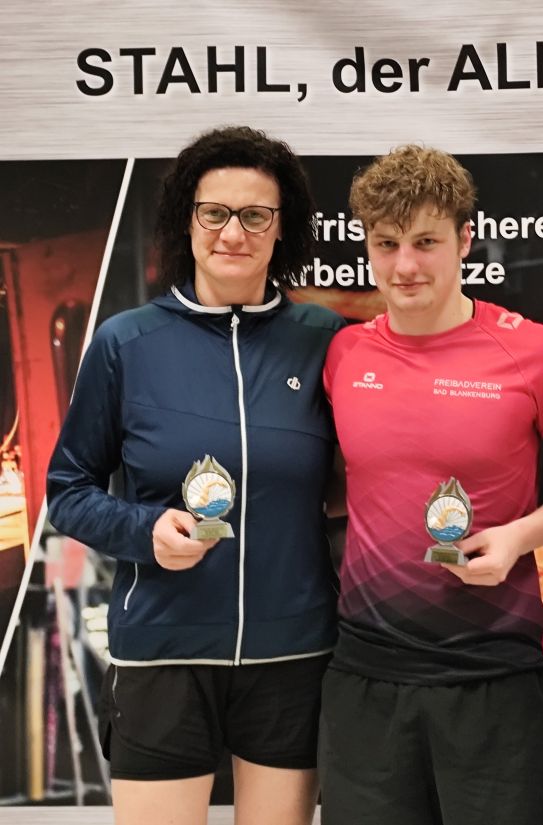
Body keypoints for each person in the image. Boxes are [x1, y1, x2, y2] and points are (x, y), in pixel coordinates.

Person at [320, 144, 543, 825]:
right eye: (386, 243)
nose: (404, 265)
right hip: (367, 673)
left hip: (495, 672)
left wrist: (519, 537)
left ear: (465, 239)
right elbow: (348, 483)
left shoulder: (533, 352)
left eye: (425, 242)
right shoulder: (344, 353)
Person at [46, 126, 343, 825]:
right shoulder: (126, 342)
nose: (232, 233)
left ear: (282, 227)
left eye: (255, 215)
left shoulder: (325, 340)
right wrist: (144, 530)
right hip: (162, 652)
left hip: (292, 653)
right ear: (187, 219)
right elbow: (68, 490)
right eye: (214, 212)